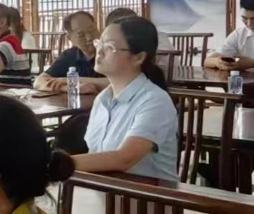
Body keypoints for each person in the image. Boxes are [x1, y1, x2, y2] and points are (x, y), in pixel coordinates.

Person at [73, 16, 179, 181]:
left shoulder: (155, 101)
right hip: (107, 189)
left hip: (148, 195)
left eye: (109, 47)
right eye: (99, 43)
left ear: (138, 57)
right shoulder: (102, 99)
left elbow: (124, 159)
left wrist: (60, 164)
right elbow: (95, 154)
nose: (99, 51)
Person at [34, 10, 105, 94]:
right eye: (81, 35)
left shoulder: (110, 51)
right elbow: (39, 82)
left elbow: (116, 82)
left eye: (92, 30)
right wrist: (70, 88)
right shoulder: (69, 56)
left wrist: (69, 80)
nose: (89, 37)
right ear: (70, 38)